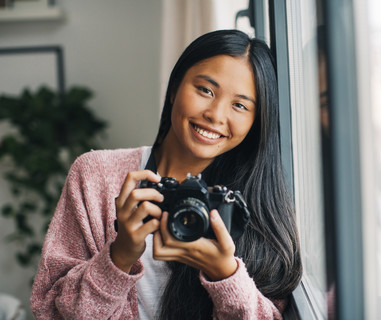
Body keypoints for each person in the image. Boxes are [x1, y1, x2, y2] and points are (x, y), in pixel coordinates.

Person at [31, 29, 302, 319]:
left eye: (239, 105)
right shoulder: (95, 175)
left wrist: (225, 275)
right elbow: (48, 310)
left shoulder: (254, 202)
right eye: (205, 90)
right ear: (174, 88)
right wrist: (119, 256)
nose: (216, 114)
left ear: (255, 121)